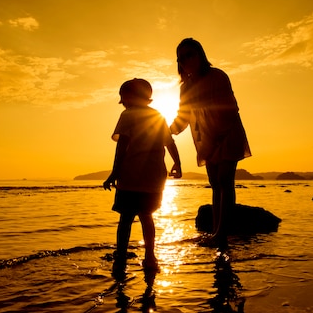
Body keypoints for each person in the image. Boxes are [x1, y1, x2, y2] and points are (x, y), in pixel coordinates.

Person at [170, 38, 251, 247]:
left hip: (227, 133)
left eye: (190, 54)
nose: (186, 60)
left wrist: (219, 136)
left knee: (225, 181)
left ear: (200, 54)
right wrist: (168, 130)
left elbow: (230, 108)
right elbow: (184, 116)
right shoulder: (185, 87)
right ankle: (217, 231)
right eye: (182, 57)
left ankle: (222, 233)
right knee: (215, 184)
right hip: (206, 138)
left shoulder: (217, 76)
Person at [103, 78, 182, 276]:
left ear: (128, 98)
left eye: (123, 99)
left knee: (126, 218)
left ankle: (121, 255)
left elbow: (121, 147)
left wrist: (114, 172)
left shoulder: (128, 115)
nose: (124, 103)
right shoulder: (157, 116)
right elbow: (169, 142)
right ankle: (150, 256)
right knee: (147, 217)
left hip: (130, 176)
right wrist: (177, 164)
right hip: (154, 177)